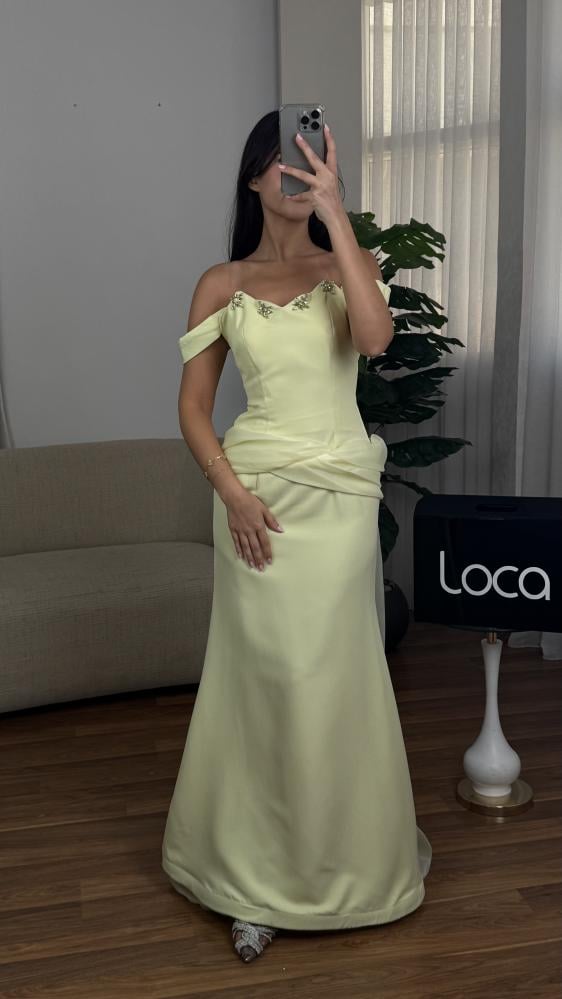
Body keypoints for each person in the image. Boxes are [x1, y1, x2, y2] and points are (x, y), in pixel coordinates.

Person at [161, 110, 432, 963]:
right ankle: (256, 880)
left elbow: (376, 339)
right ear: (253, 177)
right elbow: (194, 407)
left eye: (309, 160)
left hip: (339, 500)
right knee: (265, 682)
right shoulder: (222, 282)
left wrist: (337, 212)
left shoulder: (346, 262)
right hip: (257, 500)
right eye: (282, 162)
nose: (296, 174)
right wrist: (231, 494)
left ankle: (345, 863)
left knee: (333, 677)